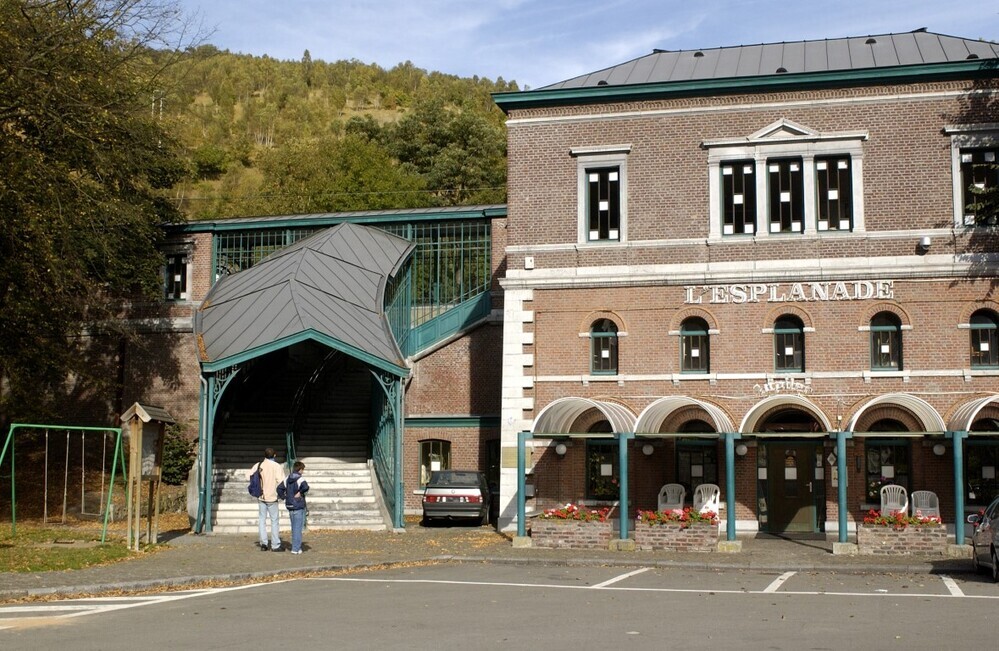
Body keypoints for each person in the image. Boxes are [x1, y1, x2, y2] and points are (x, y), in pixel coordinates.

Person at [253, 448, 285, 551]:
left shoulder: (259, 465)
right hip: (272, 496)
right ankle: (275, 545)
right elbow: (281, 481)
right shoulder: (277, 466)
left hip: (261, 496)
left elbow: (248, 476)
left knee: (262, 520)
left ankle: (263, 543)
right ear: (274, 455)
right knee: (274, 521)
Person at [277, 461, 309, 554]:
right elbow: (306, 487)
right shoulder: (300, 479)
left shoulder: (287, 478)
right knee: (298, 528)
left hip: (290, 505)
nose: (303, 471)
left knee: (294, 527)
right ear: (300, 469)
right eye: (303, 469)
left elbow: (279, 488)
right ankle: (295, 548)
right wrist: (300, 492)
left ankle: (296, 546)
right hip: (298, 505)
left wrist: (284, 497)